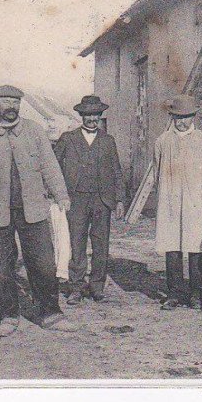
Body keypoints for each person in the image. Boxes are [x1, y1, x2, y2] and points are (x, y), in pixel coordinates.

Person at [0, 85, 76, 336]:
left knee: (44, 265)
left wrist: (61, 195)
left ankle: (50, 313)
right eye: (5, 101)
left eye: (15, 102)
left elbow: (50, 166)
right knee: (3, 268)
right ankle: (9, 316)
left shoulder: (34, 131)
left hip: (33, 210)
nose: (11, 106)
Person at [55, 95, 124, 304]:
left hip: (102, 200)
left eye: (96, 114)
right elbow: (54, 166)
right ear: (81, 115)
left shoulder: (108, 140)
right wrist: (59, 193)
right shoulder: (68, 139)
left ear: (100, 115)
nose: (92, 119)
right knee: (77, 243)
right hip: (76, 199)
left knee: (101, 244)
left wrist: (119, 199)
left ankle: (97, 287)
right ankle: (76, 287)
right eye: (88, 115)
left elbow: (116, 171)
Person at [153, 94, 202, 311]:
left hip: (196, 200)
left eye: (186, 117)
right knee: (172, 245)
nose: (182, 122)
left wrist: (200, 189)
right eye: (178, 117)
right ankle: (174, 293)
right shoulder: (163, 141)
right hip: (171, 199)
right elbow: (157, 170)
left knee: (195, 245)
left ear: (193, 117)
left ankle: (196, 293)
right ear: (172, 117)